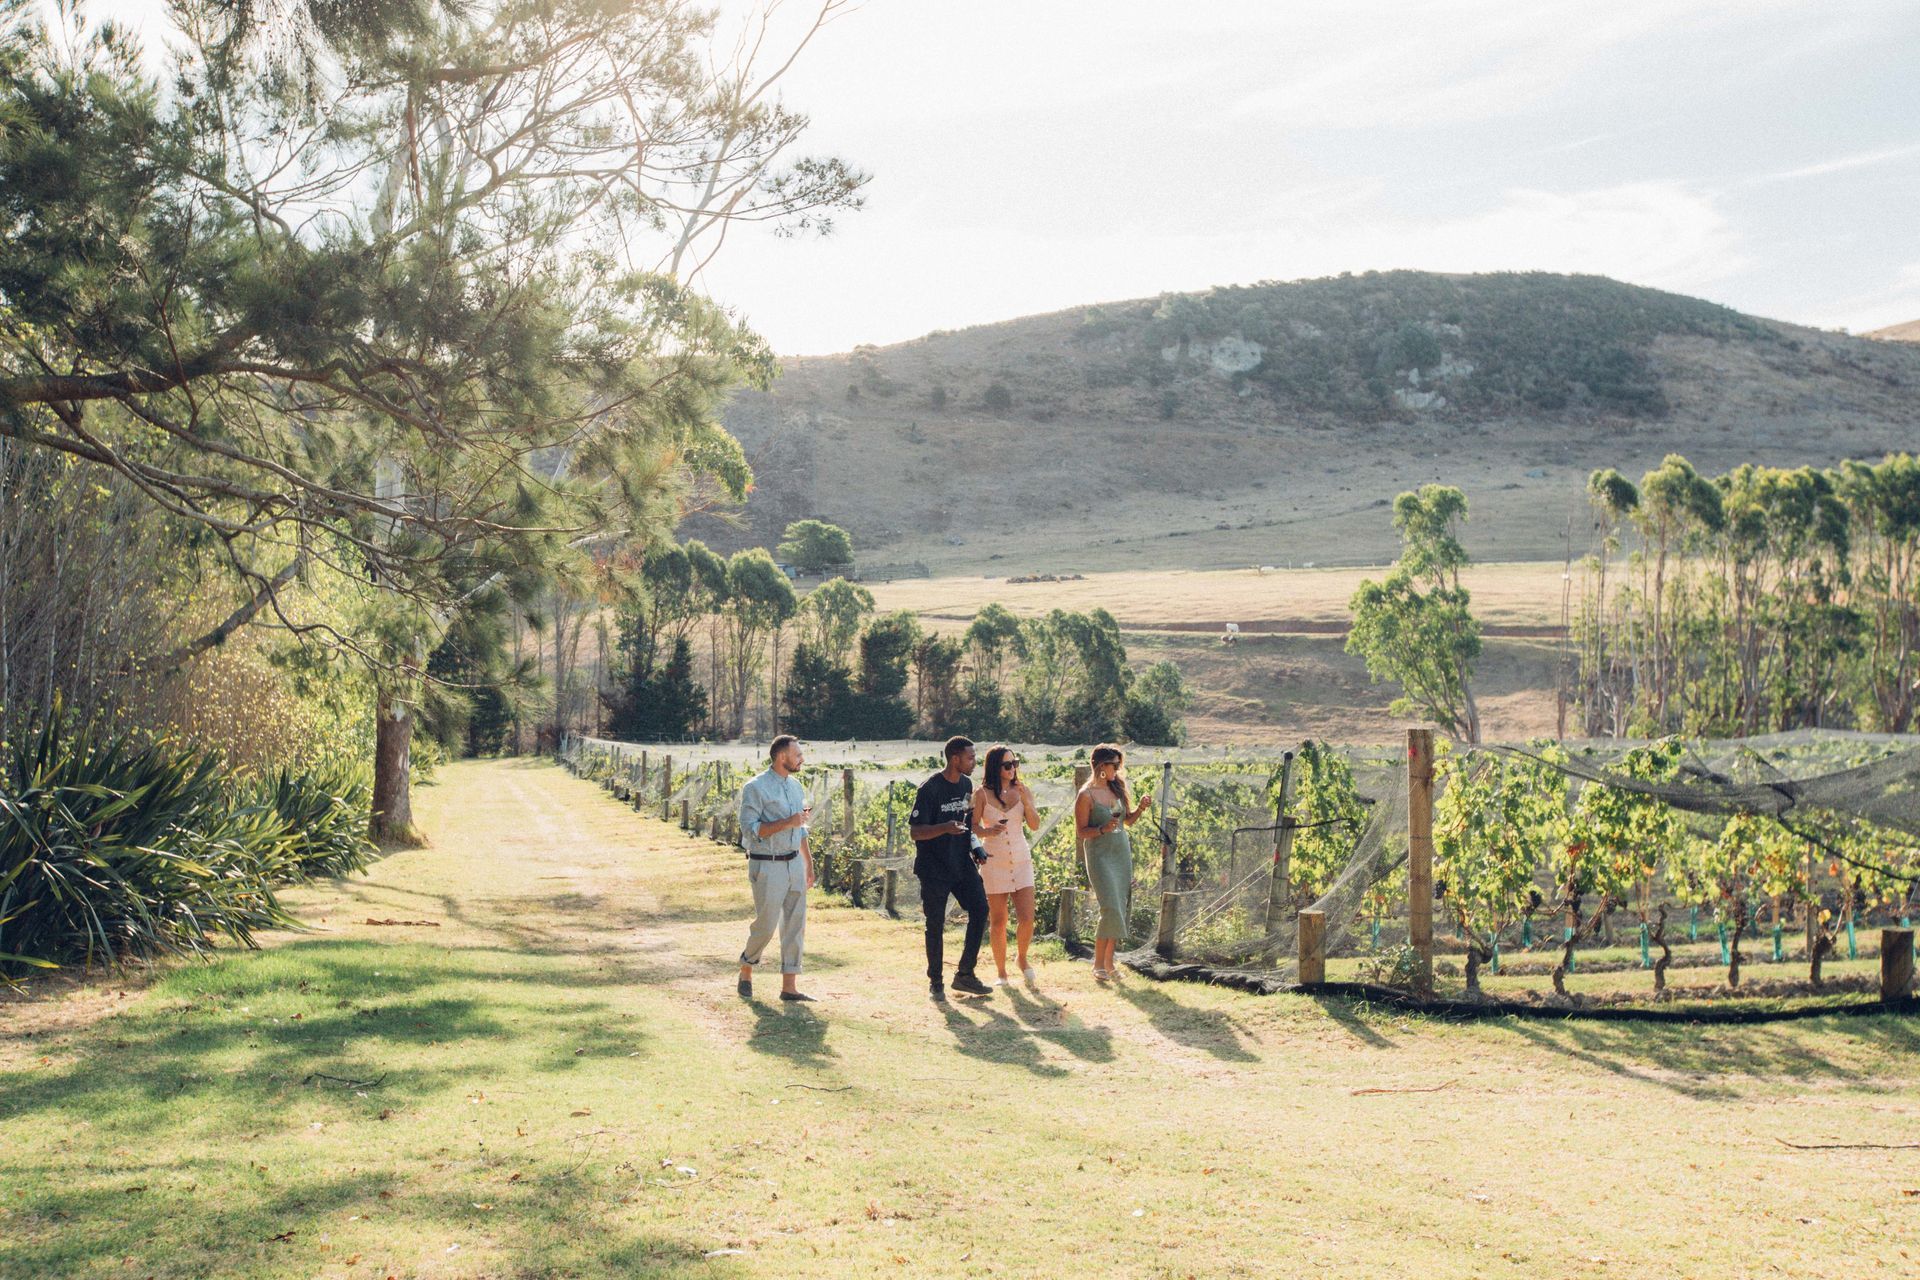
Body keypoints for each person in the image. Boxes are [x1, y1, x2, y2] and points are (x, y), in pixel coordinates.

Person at [908, 735, 992, 1002]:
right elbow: (915, 832)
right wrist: (944, 827)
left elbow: (966, 821)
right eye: (970, 757)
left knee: (980, 909)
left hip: (961, 862)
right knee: (935, 923)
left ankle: (965, 974)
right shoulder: (930, 789)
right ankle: (936, 981)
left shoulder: (967, 785)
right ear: (954, 758)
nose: (974, 762)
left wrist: (976, 846)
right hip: (934, 867)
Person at [736, 735, 816, 1002]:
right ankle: (747, 966)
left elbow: (800, 827)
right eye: (798, 755)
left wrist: (808, 863)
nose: (802, 759)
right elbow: (751, 830)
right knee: (767, 925)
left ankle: (789, 988)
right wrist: (788, 821)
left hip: (794, 863)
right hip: (767, 865)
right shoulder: (755, 788)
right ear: (782, 757)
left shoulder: (795, 787)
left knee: (796, 925)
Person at [1074, 743, 1153, 981]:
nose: (1117, 770)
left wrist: (1140, 808)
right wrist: (1101, 828)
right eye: (1114, 765)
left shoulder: (1117, 789)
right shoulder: (1085, 795)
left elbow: (1126, 822)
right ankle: (1098, 964)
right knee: (1109, 906)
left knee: (1119, 907)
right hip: (1099, 856)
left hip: (1120, 853)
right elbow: (1081, 832)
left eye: (1119, 765)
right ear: (1100, 766)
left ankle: (1110, 963)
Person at [971, 745, 1040, 985]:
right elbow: (972, 828)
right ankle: (1001, 972)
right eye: (1007, 765)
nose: (1013, 769)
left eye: (1015, 763)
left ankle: (1021, 958)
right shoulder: (981, 794)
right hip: (994, 861)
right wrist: (987, 832)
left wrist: (1028, 802)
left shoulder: (1022, 790)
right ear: (995, 767)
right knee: (999, 921)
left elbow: (1034, 825)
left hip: (1021, 860)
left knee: (1027, 917)